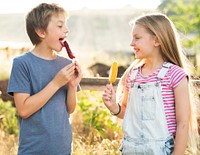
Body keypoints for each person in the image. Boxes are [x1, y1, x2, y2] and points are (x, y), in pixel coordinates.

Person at [102, 13, 199, 155]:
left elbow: (183, 123)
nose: (131, 43)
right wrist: (114, 107)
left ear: (156, 40)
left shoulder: (175, 75)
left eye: (137, 38)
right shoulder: (132, 75)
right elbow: (127, 112)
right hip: (131, 149)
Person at [7, 3, 82, 155]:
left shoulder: (65, 64)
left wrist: (73, 86)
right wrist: (55, 83)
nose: (67, 30)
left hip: (62, 149)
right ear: (41, 32)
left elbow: (70, 109)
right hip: (33, 150)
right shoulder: (22, 64)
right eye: (60, 26)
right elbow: (24, 110)